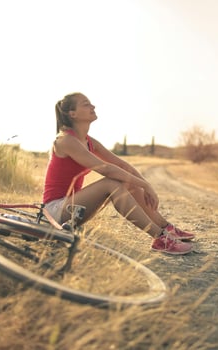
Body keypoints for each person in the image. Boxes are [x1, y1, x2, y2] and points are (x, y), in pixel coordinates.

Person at [42, 92, 195, 255]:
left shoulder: (88, 141)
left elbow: (121, 164)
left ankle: (166, 228)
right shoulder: (65, 140)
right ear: (72, 114)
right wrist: (145, 184)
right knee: (111, 183)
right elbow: (106, 169)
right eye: (86, 104)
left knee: (128, 182)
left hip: (74, 210)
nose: (93, 106)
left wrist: (144, 185)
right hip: (54, 212)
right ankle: (160, 238)